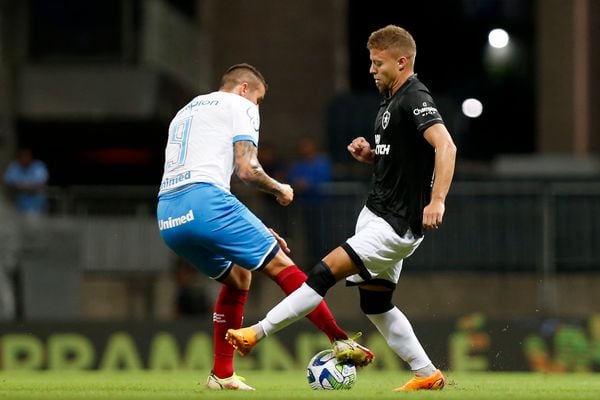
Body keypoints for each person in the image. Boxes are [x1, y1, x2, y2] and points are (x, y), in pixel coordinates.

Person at [226, 25, 457, 392]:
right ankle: (427, 373)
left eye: (378, 63)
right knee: (376, 303)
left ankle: (256, 332)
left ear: (402, 62)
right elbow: (403, 161)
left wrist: (438, 200)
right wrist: (372, 157)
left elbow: (445, 147)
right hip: (377, 214)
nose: (371, 69)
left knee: (321, 272)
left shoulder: (415, 96)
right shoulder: (390, 99)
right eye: (370, 61)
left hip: (395, 225)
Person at [156, 63, 373, 391]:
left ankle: (222, 375)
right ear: (244, 89)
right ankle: (339, 340)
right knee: (281, 264)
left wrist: (253, 226)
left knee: (240, 276)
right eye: (258, 99)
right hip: (206, 202)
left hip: (168, 214)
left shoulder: (187, 110)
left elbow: (202, 171)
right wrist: (280, 188)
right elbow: (247, 169)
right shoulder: (239, 104)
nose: (256, 106)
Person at [287, 136, 333, 263]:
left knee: (322, 234)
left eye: (307, 146)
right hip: (304, 205)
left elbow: (324, 178)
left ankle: (324, 261)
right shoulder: (298, 164)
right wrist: (299, 184)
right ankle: (311, 262)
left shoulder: (322, 161)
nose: (305, 149)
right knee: (308, 235)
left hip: (321, 205)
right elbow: (292, 179)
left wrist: (308, 184)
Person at [3, 147, 49, 218]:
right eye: (22, 157)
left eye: (27, 156)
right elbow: (7, 182)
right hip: (16, 203)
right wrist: (29, 186)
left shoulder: (38, 166)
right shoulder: (14, 166)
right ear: (19, 158)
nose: (25, 159)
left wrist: (21, 186)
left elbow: (40, 184)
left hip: (36, 204)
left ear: (31, 157)